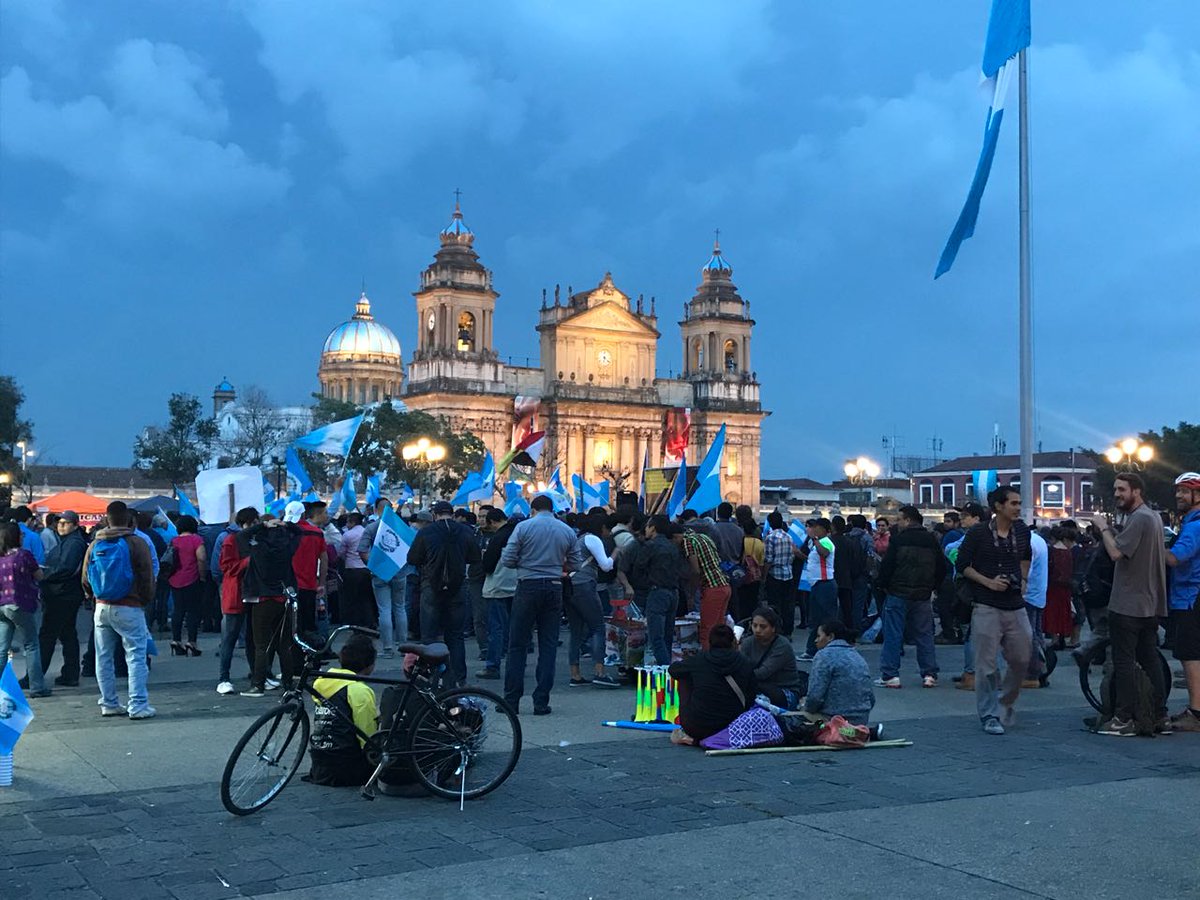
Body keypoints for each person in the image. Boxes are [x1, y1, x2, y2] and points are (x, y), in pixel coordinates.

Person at [1089, 472, 1168, 736]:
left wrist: (1102, 527)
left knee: (1124, 662)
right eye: (1115, 489)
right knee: (1150, 659)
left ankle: (1124, 719)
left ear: (1136, 491)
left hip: (1128, 603)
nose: (1117, 494)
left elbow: (1115, 553)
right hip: (1149, 603)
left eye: (1122, 489)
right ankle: (1158, 715)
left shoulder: (1140, 518)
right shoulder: (1154, 517)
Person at [956, 486, 1032, 735]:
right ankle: (989, 715)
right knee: (986, 665)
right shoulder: (978, 533)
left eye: (1019, 503)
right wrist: (988, 581)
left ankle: (1006, 702)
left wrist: (1023, 580)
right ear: (998, 506)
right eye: (1014, 503)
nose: (1018, 508)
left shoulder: (1021, 531)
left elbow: (1026, 556)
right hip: (986, 604)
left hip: (1015, 604)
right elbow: (962, 565)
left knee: (1022, 658)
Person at [498, 495, 579, 714]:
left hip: (527, 585)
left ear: (532, 510)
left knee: (517, 645)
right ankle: (541, 701)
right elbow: (576, 563)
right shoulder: (566, 530)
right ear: (552, 509)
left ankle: (511, 701)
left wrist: (524, 562)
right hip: (554, 586)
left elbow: (507, 559)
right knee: (548, 645)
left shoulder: (524, 527)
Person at [82, 501, 156, 718]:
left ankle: (109, 703)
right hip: (130, 606)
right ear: (129, 519)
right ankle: (138, 705)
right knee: (135, 656)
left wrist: (92, 596)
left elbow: (85, 577)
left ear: (106, 519)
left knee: (103, 657)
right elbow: (146, 577)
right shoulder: (136, 542)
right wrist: (144, 599)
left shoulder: (95, 544)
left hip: (102, 606)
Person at [407, 500, 482, 688]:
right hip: (457, 587)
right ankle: (458, 678)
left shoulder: (427, 532)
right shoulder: (465, 531)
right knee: (455, 635)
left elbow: (413, 558)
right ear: (453, 514)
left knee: (429, 636)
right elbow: (475, 557)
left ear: (435, 515)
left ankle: (431, 678)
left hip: (431, 585)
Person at [874, 505, 946, 689]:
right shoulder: (932, 540)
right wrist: (933, 587)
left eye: (899, 519)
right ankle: (929, 674)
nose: (897, 523)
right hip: (922, 594)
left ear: (907, 520)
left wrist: (883, 585)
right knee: (924, 634)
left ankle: (890, 675)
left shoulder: (898, 540)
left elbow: (887, 566)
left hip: (898, 592)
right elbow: (941, 568)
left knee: (893, 633)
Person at [237, 514, 301, 697]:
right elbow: (299, 532)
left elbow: (241, 536)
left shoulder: (257, 549)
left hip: (262, 598)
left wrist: (263, 525)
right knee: (284, 644)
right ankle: (288, 683)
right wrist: (286, 524)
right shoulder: (287, 548)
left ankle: (258, 684)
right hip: (283, 598)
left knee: (261, 645)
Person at [306, 633, 380, 786]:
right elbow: (366, 735)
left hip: (320, 767)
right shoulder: (358, 690)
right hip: (346, 768)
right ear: (370, 664)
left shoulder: (325, 682)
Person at [669, 623, 756, 744]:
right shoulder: (744, 662)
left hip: (696, 727)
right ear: (733, 642)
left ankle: (693, 717)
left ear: (710, 642)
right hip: (733, 723)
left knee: (685, 676)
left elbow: (673, 670)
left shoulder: (700, 660)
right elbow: (751, 694)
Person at [566, 517, 620, 688]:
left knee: (576, 631)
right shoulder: (593, 539)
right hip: (585, 586)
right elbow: (605, 565)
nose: (609, 533)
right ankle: (600, 672)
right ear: (601, 526)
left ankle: (575, 675)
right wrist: (616, 551)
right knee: (597, 627)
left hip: (569, 587)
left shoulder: (577, 539)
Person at [1165, 472, 1200, 732]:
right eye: (1178, 491)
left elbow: (1176, 558)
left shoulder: (1194, 526)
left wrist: (1152, 545)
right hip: (1189, 595)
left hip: (1190, 597)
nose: (1179, 496)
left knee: (1190, 655)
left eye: (1184, 491)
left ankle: (1196, 713)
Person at [0, 521, 51, 698]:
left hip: (2, 605)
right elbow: (39, 575)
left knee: (2, 648)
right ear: (15, 537)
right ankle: (37, 687)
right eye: (20, 534)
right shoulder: (24, 555)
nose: (23, 536)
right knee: (31, 644)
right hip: (21, 603)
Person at [38, 510, 87, 686]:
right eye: (59, 522)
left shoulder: (74, 543)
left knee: (48, 634)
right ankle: (70, 673)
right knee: (66, 634)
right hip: (64, 593)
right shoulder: (68, 541)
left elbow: (66, 568)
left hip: (62, 594)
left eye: (65, 523)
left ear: (75, 525)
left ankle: (37, 674)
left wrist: (44, 575)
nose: (61, 526)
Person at [216, 507, 259, 695]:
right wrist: (248, 561)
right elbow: (227, 567)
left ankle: (257, 673)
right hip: (235, 595)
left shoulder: (254, 540)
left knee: (253, 638)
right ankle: (223, 677)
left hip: (253, 593)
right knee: (229, 638)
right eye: (253, 523)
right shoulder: (231, 541)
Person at [633, 515, 683, 668]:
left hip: (657, 592)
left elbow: (638, 568)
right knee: (668, 635)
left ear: (653, 528)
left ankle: (665, 669)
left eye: (648, 527)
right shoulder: (673, 546)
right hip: (674, 592)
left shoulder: (650, 546)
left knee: (656, 637)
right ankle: (669, 669)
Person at [804, 619, 876, 726]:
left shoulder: (823, 655)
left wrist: (806, 707)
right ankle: (859, 732)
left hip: (833, 719)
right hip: (861, 720)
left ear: (830, 637)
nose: (815, 640)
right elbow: (871, 698)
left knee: (798, 721)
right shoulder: (857, 656)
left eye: (819, 636)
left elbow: (815, 697)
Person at [358, 498, 406, 658]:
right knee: (400, 607)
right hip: (399, 572)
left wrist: (372, 565)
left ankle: (387, 648)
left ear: (376, 509)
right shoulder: (401, 527)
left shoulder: (371, 527)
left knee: (384, 609)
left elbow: (362, 550)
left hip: (379, 574)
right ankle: (403, 646)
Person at [674, 523, 730, 651]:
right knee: (719, 628)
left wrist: (692, 594)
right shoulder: (704, 537)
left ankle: (708, 658)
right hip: (724, 585)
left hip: (712, 587)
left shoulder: (688, 543)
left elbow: (696, 571)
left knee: (707, 629)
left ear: (676, 537)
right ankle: (721, 655)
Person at [478, 509, 518, 680]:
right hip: (516, 585)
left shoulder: (497, 537)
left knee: (496, 629)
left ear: (493, 521)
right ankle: (516, 663)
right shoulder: (518, 534)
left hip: (497, 586)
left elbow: (487, 565)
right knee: (513, 628)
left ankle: (492, 665)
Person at [738, 606, 802, 708]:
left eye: (763, 627)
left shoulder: (782, 645)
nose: (757, 630)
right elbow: (740, 666)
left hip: (783, 691)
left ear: (773, 628)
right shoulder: (748, 642)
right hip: (757, 686)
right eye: (755, 626)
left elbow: (763, 673)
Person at [167, 515, 207, 657]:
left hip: (174, 578)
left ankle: (176, 640)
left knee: (178, 610)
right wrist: (202, 576)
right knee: (193, 611)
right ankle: (192, 641)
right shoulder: (196, 540)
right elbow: (201, 558)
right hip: (192, 578)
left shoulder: (174, 541)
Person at [798, 518, 838, 660]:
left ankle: (820, 648)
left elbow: (825, 553)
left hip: (824, 584)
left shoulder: (826, 542)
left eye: (816, 528)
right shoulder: (816, 543)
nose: (813, 530)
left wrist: (815, 540)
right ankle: (814, 648)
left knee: (825, 618)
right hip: (817, 584)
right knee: (816, 618)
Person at [1022, 526, 1049, 688]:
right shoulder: (1039, 540)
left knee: (1028, 635)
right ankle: (1042, 669)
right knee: (1037, 634)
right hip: (1038, 593)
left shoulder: (1028, 543)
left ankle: (1032, 672)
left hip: (1028, 594)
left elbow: (1026, 572)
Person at [762, 512, 796, 637]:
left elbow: (768, 560)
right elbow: (792, 556)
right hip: (788, 574)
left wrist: (764, 577)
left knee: (774, 605)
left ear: (770, 523)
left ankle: (777, 630)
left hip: (775, 574)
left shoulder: (770, 538)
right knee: (788, 604)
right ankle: (788, 630)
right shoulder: (789, 537)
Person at [934, 511, 966, 643]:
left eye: (949, 521)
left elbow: (944, 553)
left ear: (956, 523)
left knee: (945, 606)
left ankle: (948, 634)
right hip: (956, 574)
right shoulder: (961, 535)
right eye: (945, 521)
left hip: (948, 574)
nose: (946, 524)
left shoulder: (951, 535)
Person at [1044, 526, 1077, 650]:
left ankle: (1054, 639)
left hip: (1052, 586)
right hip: (1066, 587)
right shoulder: (1068, 552)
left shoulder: (1052, 551)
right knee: (1064, 612)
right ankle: (1062, 636)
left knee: (1052, 612)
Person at [339, 512, 372, 626]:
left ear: (352, 522)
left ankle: (354, 623)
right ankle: (368, 622)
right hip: (365, 568)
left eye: (348, 521)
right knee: (366, 598)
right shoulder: (367, 532)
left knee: (352, 598)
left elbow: (342, 553)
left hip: (352, 569)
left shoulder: (347, 535)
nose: (346, 524)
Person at [735, 518, 765, 623]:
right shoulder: (760, 543)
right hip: (754, 577)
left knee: (741, 601)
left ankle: (741, 622)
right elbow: (761, 563)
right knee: (752, 601)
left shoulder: (739, 540)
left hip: (741, 575)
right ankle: (751, 622)